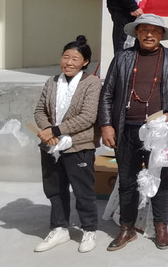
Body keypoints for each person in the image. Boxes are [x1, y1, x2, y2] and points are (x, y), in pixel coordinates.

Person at [98, 14, 168, 251]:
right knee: (127, 181)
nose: (149, 34)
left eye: (155, 30)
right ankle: (127, 227)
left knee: (159, 179)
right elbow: (107, 93)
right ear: (136, 33)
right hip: (126, 129)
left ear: (162, 34)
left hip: (159, 132)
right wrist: (106, 125)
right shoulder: (122, 58)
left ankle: (160, 226)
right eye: (144, 30)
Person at [33, 36, 102, 254]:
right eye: (65, 57)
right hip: (51, 145)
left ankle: (89, 229)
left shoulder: (92, 83)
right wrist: (47, 131)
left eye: (75, 58)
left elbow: (88, 117)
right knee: (54, 189)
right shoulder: (52, 81)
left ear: (85, 62)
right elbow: (40, 110)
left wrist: (55, 131)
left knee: (83, 191)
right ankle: (59, 228)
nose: (69, 62)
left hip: (78, 145)